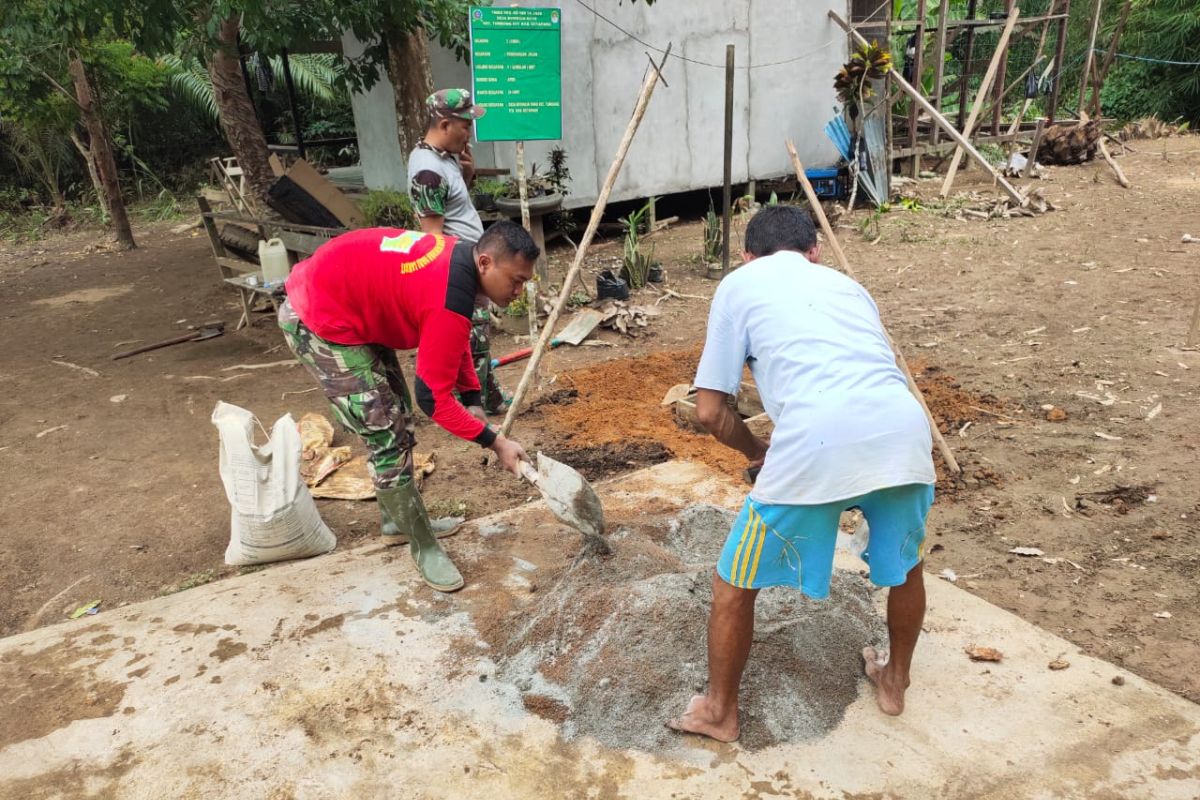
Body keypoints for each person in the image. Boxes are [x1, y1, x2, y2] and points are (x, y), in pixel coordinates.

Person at [668, 205, 937, 742]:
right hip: (904, 430)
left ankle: (719, 712)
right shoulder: (848, 287)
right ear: (813, 251)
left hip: (815, 438)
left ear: (747, 257)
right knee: (906, 564)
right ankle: (894, 682)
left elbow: (710, 411)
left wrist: (757, 451)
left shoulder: (740, 284)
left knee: (734, 582)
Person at [278, 221, 537, 593]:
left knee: (397, 411)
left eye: (525, 282)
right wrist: (496, 443)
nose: (519, 291)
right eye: (516, 280)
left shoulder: (463, 267)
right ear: (485, 263)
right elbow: (433, 400)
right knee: (386, 431)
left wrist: (473, 399)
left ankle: (396, 523)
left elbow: (455, 335)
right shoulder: (450, 291)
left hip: (356, 307)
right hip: (319, 316)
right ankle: (423, 546)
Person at [408, 88, 506, 415]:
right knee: (473, 338)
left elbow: (456, 206)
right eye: (465, 125)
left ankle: (489, 397)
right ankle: (470, 409)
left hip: (470, 260)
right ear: (445, 124)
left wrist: (467, 174)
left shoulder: (445, 158)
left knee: (480, 339)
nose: (469, 133)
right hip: (458, 270)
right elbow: (434, 236)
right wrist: (460, 280)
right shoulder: (427, 172)